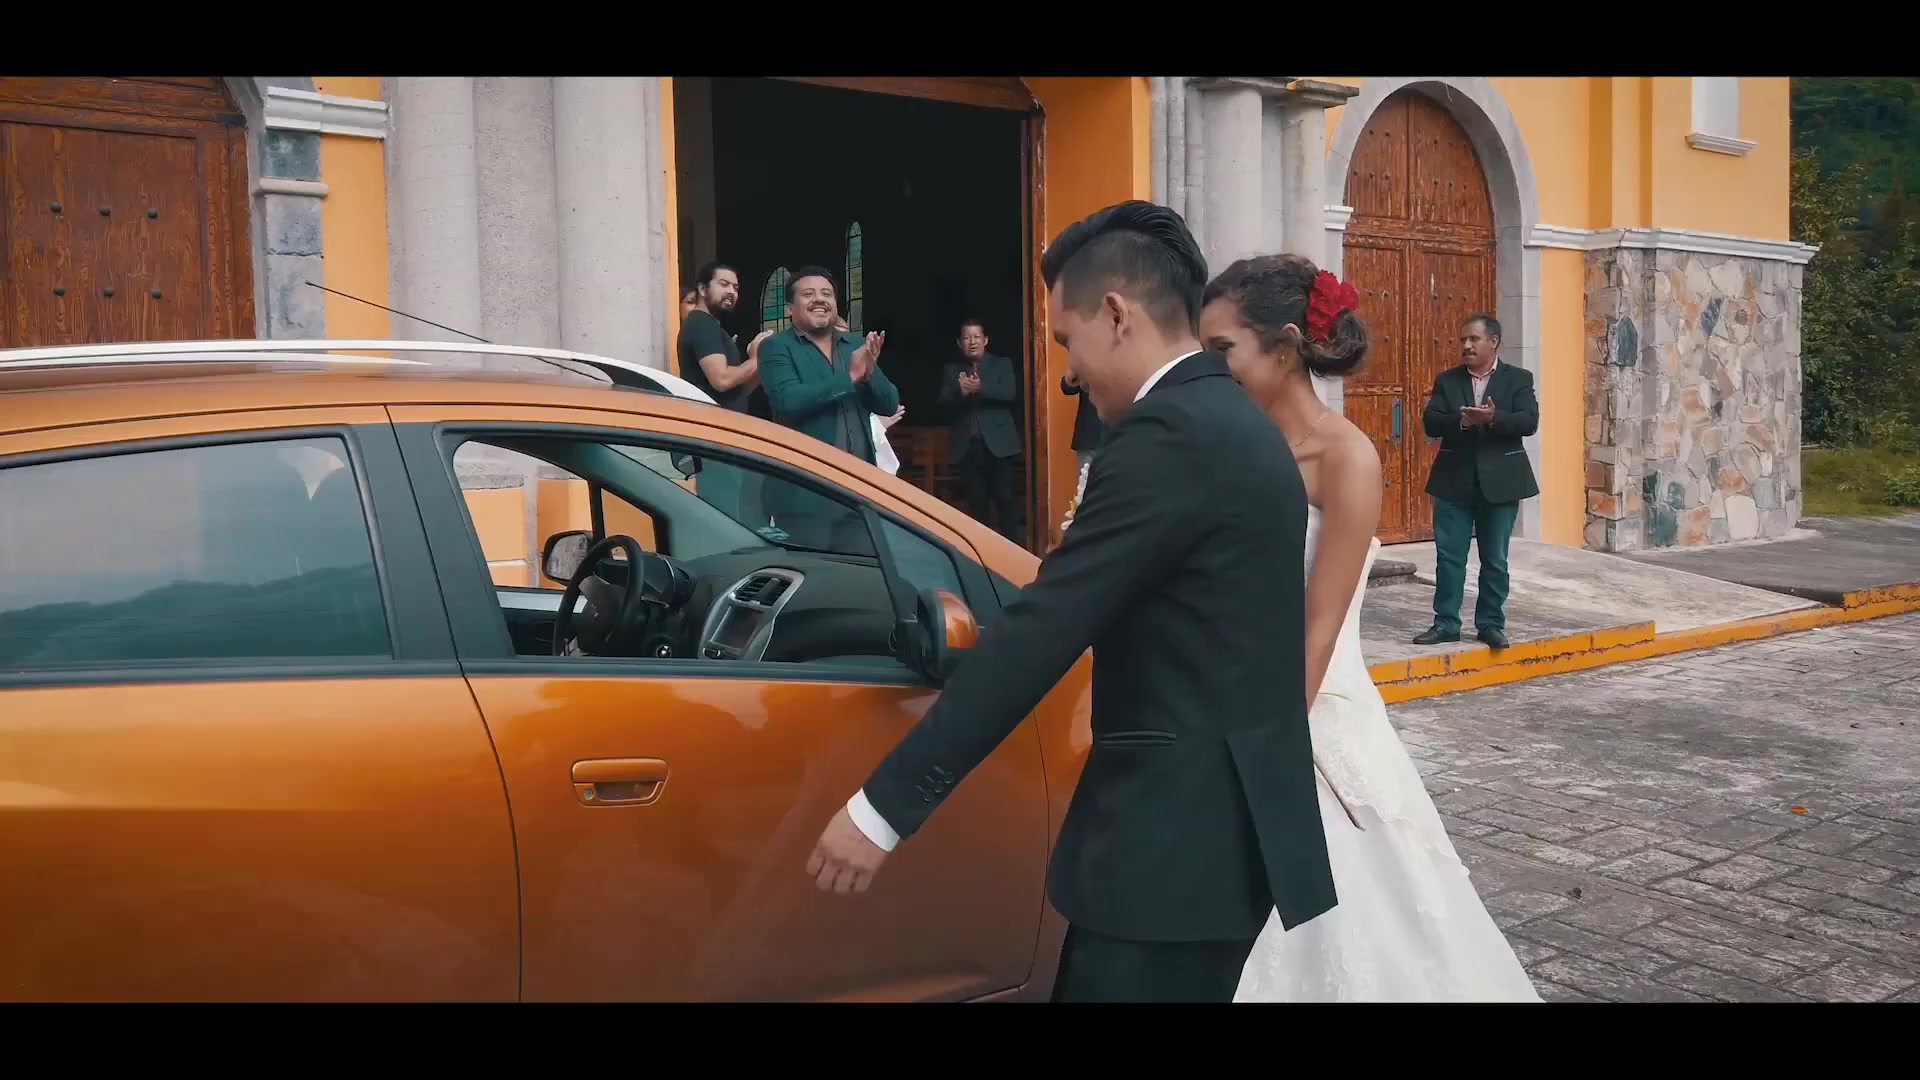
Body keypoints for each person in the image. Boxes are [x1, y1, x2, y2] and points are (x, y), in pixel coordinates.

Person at [804, 201, 1334, 1003]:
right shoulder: (1234, 418)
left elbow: (1043, 631)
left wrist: (883, 809)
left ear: (1116, 315)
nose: (1071, 372)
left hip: (1170, 849)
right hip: (1220, 836)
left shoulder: (1168, 436)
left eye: (1065, 341)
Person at [1198, 255, 1541, 1003]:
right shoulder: (1223, 445)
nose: (1208, 367)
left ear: (1285, 347)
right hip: (1213, 702)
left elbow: (1319, 627)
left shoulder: (1345, 456)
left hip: (1306, 712)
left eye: (1223, 349)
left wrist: (1259, 753)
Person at [1413, 314, 1540, 649]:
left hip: (1501, 482)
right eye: (1462, 340)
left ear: (1493, 342)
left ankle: (1490, 624)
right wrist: (1465, 422)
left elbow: (1529, 422)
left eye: (1474, 339)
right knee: (1449, 558)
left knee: (1495, 559)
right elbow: (1431, 422)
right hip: (1453, 481)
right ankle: (1445, 624)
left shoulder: (1519, 379)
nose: (1466, 346)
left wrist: (1494, 418)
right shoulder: (1447, 380)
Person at [758, 267, 901, 549]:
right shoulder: (776, 347)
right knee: (814, 572)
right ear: (789, 309)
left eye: (826, 294)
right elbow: (787, 402)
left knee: (861, 569)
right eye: (808, 294)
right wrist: (850, 377)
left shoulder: (855, 345)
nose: (819, 299)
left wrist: (869, 374)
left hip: (859, 492)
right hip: (804, 494)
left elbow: (889, 404)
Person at [677, 262, 771, 520]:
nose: (731, 291)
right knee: (722, 514)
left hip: (724, 436)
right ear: (702, 289)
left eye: (736, 287)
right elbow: (721, 379)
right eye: (724, 284)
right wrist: (756, 358)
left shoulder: (712, 327)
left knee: (730, 513)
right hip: (713, 437)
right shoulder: (701, 324)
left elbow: (736, 391)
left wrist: (757, 363)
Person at [939, 317, 1022, 540]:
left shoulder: (1001, 364)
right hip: (967, 447)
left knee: (1005, 498)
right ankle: (983, 552)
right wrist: (961, 393)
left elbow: (1009, 393)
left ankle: (1014, 549)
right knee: (976, 503)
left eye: (977, 337)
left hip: (999, 446)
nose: (972, 342)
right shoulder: (952, 370)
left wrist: (980, 388)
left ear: (985, 340)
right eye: (967, 338)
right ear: (960, 343)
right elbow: (943, 404)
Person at [835, 313, 906, 476]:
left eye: (847, 338)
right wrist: (876, 426)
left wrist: (870, 369)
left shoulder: (863, 377)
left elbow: (889, 402)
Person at [1059, 368, 1106, 476]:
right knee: (1085, 483)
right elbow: (1067, 388)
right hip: (1089, 436)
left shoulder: (1125, 362)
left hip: (1119, 435)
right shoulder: (1085, 362)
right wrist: (1077, 372)